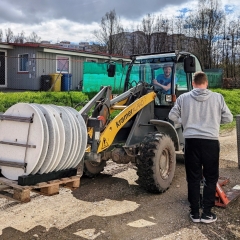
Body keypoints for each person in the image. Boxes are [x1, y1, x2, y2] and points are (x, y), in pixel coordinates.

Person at [168, 71, 233, 224]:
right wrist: (214, 122)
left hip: (191, 142)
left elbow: (172, 116)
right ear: (207, 83)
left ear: (193, 84)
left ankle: (195, 213)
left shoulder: (183, 98)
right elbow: (228, 118)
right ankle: (208, 214)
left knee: (193, 178)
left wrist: (185, 121)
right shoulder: (218, 97)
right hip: (210, 141)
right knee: (211, 178)